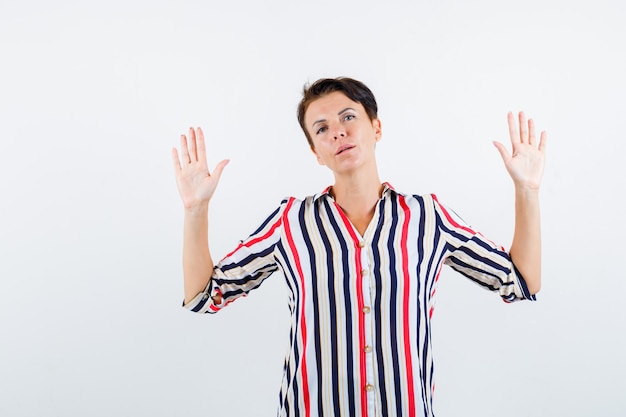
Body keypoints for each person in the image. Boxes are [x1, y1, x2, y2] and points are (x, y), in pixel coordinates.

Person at [171, 77, 546, 417]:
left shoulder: (427, 217)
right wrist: (196, 209)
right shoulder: (290, 222)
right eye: (322, 128)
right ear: (315, 151)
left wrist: (526, 190)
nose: (337, 132)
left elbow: (521, 282)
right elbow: (205, 295)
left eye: (348, 117)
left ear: (376, 127)